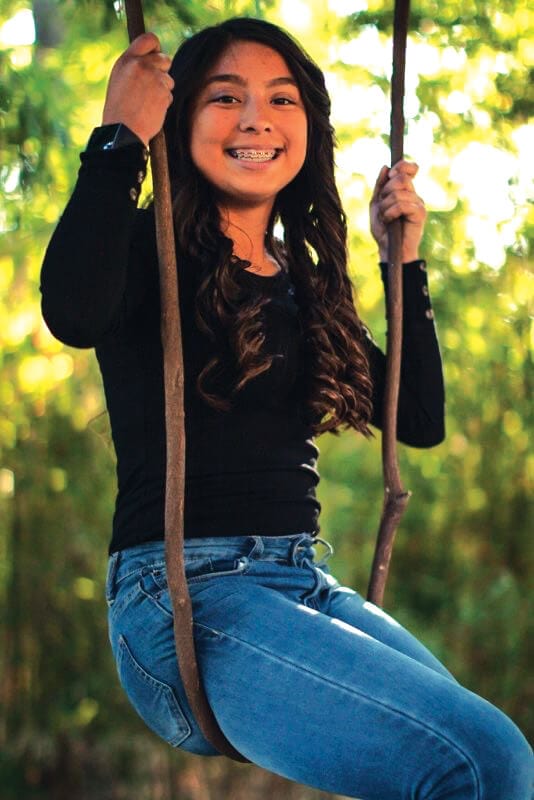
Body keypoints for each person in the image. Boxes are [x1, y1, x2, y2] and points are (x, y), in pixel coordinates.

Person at [40, 17, 532, 800]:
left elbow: (420, 419)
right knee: (480, 763)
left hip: (303, 584)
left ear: (309, 126)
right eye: (224, 97)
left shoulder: (301, 286)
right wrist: (117, 139)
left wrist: (401, 262)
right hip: (184, 602)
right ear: (178, 115)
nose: (256, 119)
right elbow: (71, 311)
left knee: (500, 769)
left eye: (281, 99)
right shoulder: (147, 250)